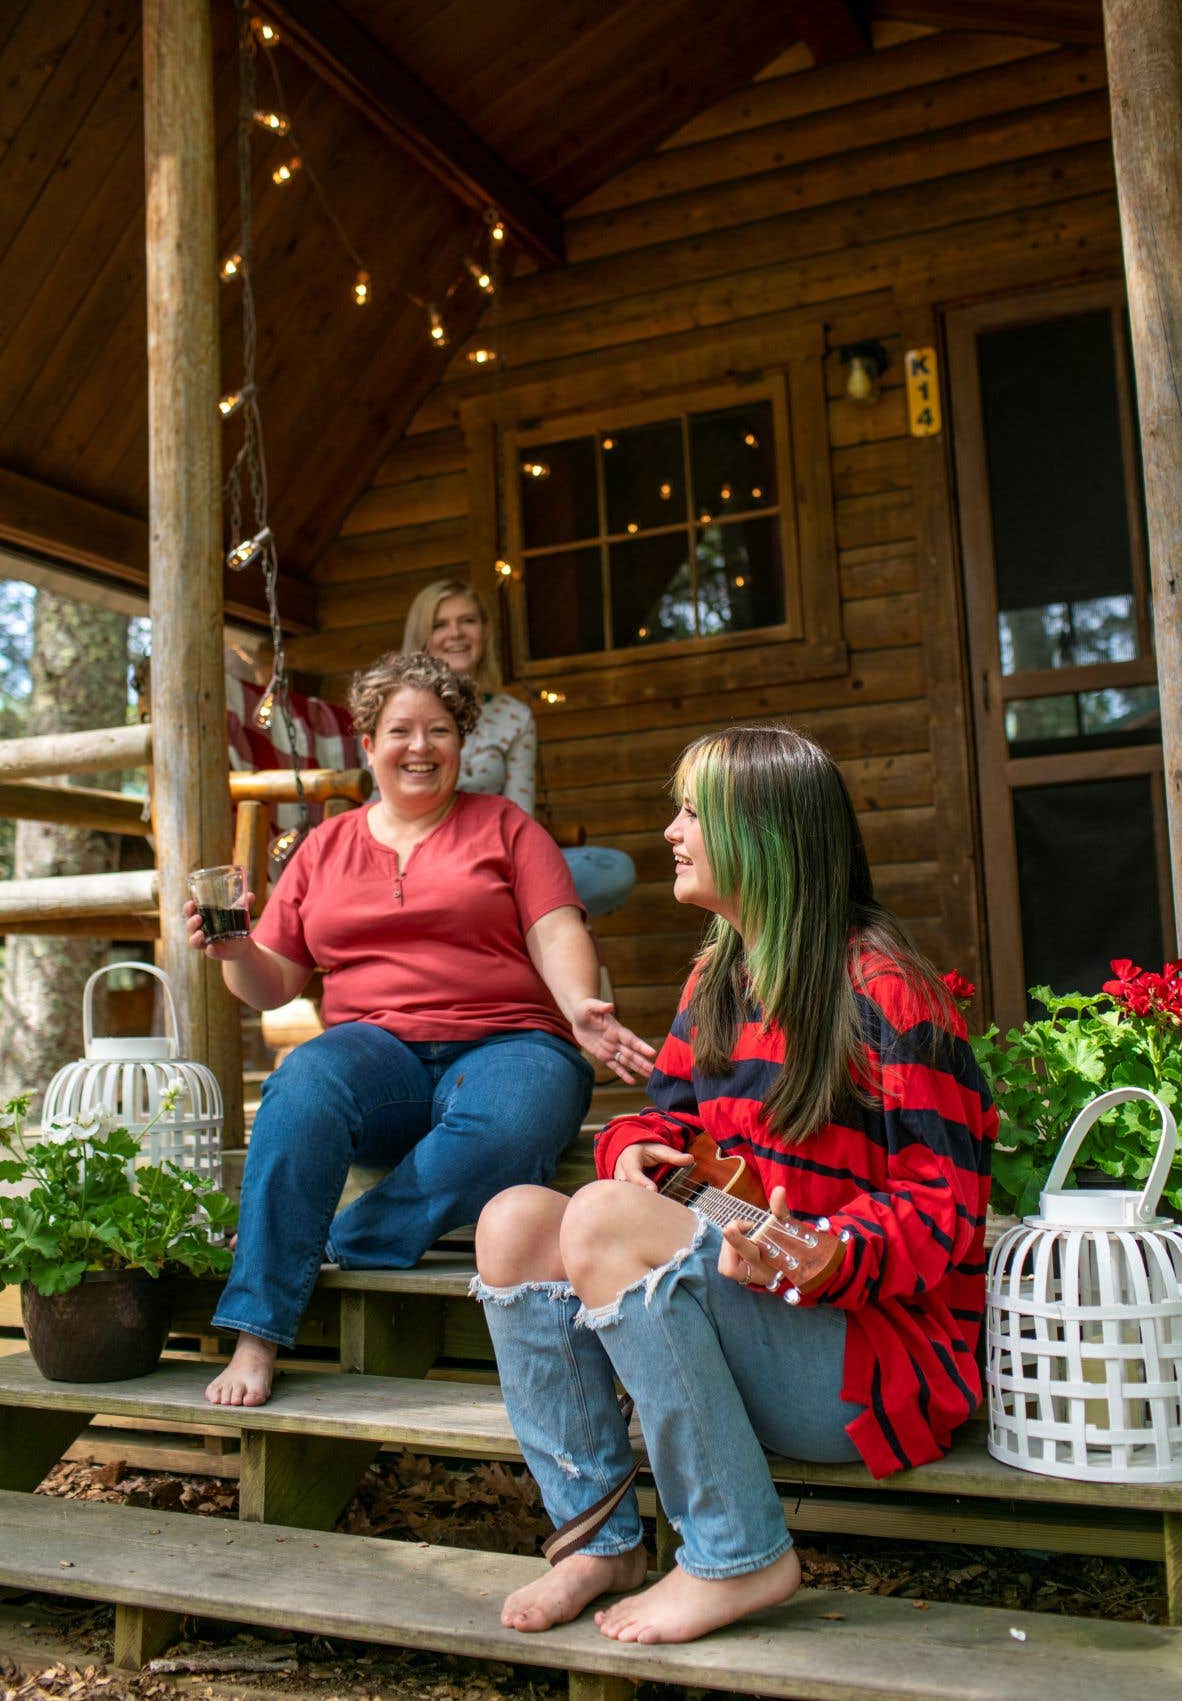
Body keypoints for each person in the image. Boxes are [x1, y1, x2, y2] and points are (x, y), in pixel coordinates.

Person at [471, 724, 997, 1646]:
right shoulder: (720, 977)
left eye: (693, 811)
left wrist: (833, 1254)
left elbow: (944, 1204)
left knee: (597, 1221)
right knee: (515, 1221)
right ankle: (600, 1539)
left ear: (765, 831)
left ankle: (736, 1553)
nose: (672, 830)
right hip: (749, 1303)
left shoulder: (886, 991)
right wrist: (635, 1148)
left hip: (864, 1357)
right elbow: (664, 1120)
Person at [186, 651, 654, 1409]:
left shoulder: (505, 826)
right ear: (368, 743)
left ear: (461, 743)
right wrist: (235, 951)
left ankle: (339, 1237)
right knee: (303, 1080)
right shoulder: (324, 846)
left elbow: (556, 928)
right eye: (400, 729)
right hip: (378, 1055)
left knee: (510, 1121)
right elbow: (271, 984)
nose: (420, 745)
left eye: (439, 729)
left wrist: (576, 1005)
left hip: (511, 1042)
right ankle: (256, 1332)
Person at [402, 579, 636, 919]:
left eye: (467, 621)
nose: (456, 633)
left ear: (484, 631)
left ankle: (489, 909)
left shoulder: (513, 716)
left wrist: (495, 862)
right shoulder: (403, 712)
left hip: (495, 861)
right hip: (418, 858)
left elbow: (519, 818)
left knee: (613, 868)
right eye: (440, 624)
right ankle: (502, 914)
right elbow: (379, 806)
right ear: (422, 637)